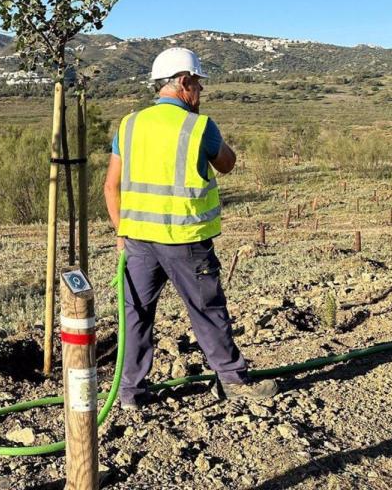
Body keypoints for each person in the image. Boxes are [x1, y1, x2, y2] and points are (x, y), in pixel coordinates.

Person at [103, 47, 277, 409]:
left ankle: (131, 392)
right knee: (207, 310)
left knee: (136, 315)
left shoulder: (129, 125)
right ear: (183, 82)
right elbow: (227, 164)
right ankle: (233, 381)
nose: (200, 91)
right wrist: (208, 135)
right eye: (197, 83)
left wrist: (121, 232)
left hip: (137, 241)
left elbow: (110, 186)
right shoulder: (198, 125)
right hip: (185, 240)